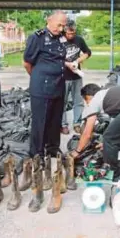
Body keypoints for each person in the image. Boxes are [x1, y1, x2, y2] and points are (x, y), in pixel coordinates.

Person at [23, 11, 75, 160]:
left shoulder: (61, 38)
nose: (60, 29)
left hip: (58, 85)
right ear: (49, 20)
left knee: (55, 120)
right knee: (40, 122)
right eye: (58, 25)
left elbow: (57, 59)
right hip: (42, 87)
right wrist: (37, 78)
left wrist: (67, 65)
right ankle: (36, 153)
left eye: (63, 26)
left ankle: (53, 148)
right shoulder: (37, 37)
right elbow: (27, 63)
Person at [61, 20, 92, 135]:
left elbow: (87, 52)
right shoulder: (59, 40)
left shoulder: (79, 39)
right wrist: (67, 64)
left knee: (78, 101)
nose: (71, 36)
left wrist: (77, 61)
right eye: (68, 33)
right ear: (65, 31)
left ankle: (77, 124)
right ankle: (63, 125)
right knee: (62, 102)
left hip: (76, 76)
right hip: (63, 76)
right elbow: (54, 57)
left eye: (73, 33)